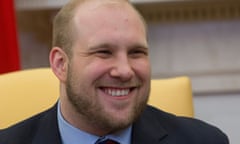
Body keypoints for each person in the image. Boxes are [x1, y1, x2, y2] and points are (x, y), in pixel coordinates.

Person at [0, 0, 229, 144]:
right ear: (60, 64)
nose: (124, 70)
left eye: (136, 52)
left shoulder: (205, 141)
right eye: (104, 52)